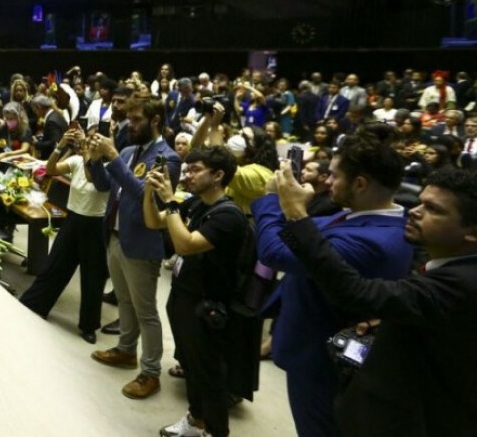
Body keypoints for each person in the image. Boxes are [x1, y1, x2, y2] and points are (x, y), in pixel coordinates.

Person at [274, 166, 477, 436]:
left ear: (472, 232)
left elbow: (355, 291)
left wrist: (297, 215)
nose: (415, 211)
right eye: (420, 202)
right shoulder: (451, 268)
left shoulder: (462, 282)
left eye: (434, 209)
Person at [251, 124, 414, 437]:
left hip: (321, 360)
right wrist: (297, 209)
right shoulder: (367, 216)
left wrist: (274, 198)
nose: (327, 180)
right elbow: (305, 233)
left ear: (361, 183)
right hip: (314, 343)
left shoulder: (374, 241)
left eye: (335, 175)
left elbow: (275, 251)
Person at [145, 146, 248, 437]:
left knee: (209, 374)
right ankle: (196, 419)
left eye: (195, 170)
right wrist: (148, 192)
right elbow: (154, 222)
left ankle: (215, 431)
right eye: (187, 169)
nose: (188, 175)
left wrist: (169, 200)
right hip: (184, 296)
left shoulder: (229, 215)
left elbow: (185, 244)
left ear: (218, 175)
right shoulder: (198, 203)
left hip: (208, 306)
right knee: (191, 365)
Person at [88, 96, 181, 400]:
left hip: (142, 243)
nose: (130, 124)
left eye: (138, 119)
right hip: (115, 236)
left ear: (155, 121)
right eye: (129, 118)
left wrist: (112, 156)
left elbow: (148, 197)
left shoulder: (167, 158)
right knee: (124, 301)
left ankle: (150, 371)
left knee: (146, 311)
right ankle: (126, 350)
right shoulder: (128, 150)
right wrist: (93, 159)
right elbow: (105, 186)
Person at [19, 127, 110, 343]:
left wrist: (88, 153)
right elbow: (49, 170)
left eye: (94, 140)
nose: (89, 142)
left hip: (94, 224)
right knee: (55, 265)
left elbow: (95, 179)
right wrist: (60, 146)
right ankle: (36, 304)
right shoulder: (77, 161)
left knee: (93, 278)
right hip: (73, 220)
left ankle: (89, 325)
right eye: (88, 138)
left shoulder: (108, 168)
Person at [0, 102, 33, 168]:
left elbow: (24, 149)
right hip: (2, 165)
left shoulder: (25, 130)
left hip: (19, 165)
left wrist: (5, 154)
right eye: (7, 118)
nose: (9, 121)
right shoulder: (0, 128)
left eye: (12, 119)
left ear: (19, 118)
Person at [31, 93, 68, 160]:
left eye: (35, 110)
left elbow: (53, 143)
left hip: (57, 158)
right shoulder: (56, 114)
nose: (35, 112)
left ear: (39, 107)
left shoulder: (51, 121)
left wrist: (37, 144)